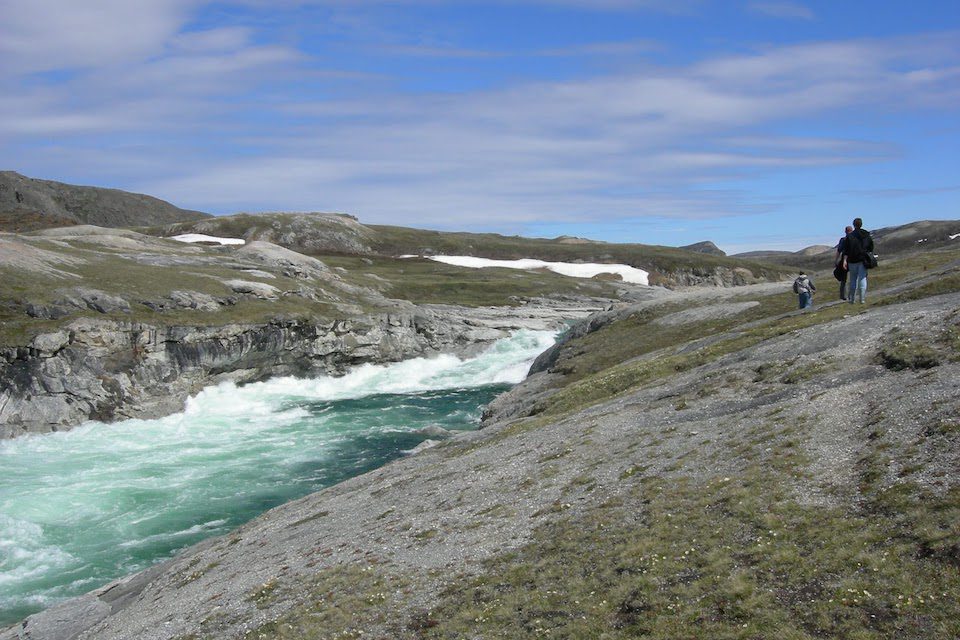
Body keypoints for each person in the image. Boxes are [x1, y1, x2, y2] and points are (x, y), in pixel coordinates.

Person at [844, 217, 874, 304]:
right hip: (863, 259)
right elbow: (871, 247)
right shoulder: (866, 235)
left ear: (854, 225)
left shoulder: (850, 236)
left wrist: (844, 261)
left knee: (853, 280)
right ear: (861, 224)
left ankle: (852, 299)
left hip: (852, 260)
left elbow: (846, 250)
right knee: (862, 279)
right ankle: (862, 299)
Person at [834, 225, 853, 300]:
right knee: (853, 278)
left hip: (844, 260)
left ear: (845, 231)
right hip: (854, 259)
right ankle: (851, 294)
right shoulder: (854, 238)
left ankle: (843, 296)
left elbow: (839, 251)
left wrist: (836, 260)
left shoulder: (843, 240)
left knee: (843, 279)